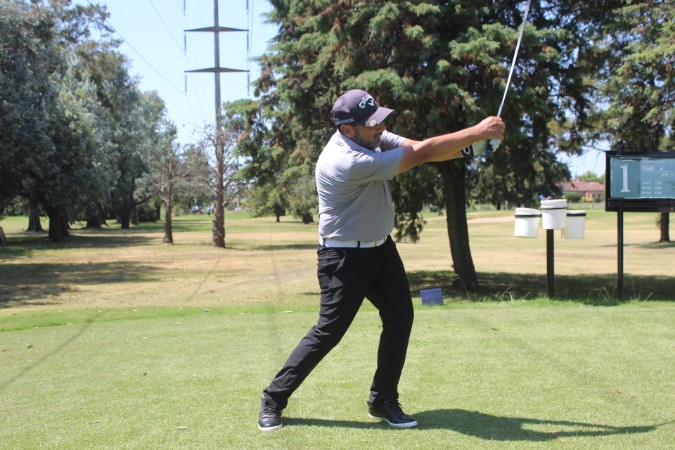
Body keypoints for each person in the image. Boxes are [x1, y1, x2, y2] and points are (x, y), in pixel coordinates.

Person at [258, 89, 505, 431]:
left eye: (380, 120)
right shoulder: (346, 160)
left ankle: (383, 400)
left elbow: (423, 148)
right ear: (348, 129)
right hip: (343, 258)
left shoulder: (371, 136)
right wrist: (478, 132)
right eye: (372, 123)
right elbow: (422, 153)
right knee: (329, 332)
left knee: (400, 317)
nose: (381, 127)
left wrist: (473, 147)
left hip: (381, 250)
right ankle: (273, 397)